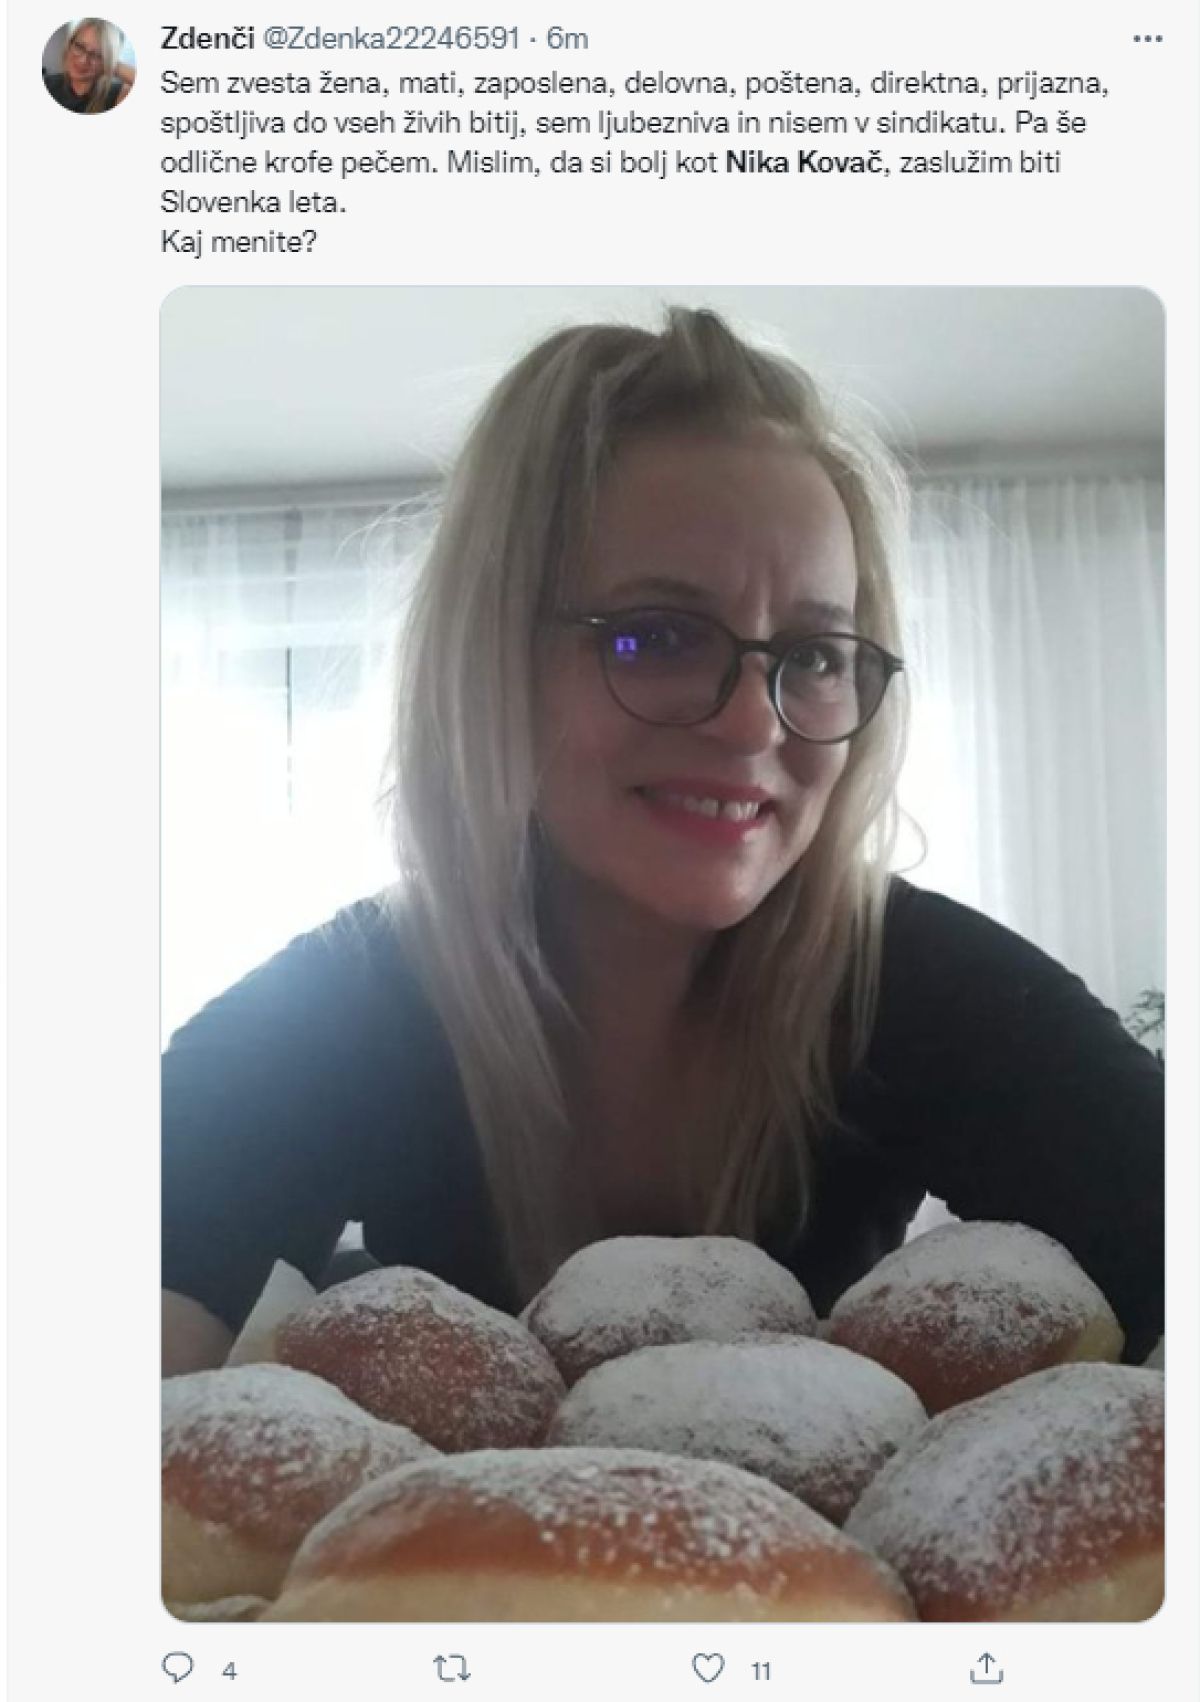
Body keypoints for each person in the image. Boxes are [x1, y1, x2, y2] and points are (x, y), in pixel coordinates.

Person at [162, 308, 1164, 1378]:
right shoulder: (342, 1002)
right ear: (493, 661)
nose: (756, 724)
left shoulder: (923, 983)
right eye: (659, 635)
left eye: (816, 655)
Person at [43, 18, 132, 115]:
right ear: (69, 45)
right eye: (79, 46)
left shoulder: (118, 95)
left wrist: (112, 64)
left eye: (97, 55)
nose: (83, 60)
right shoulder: (47, 83)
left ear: (107, 61)